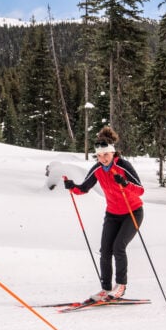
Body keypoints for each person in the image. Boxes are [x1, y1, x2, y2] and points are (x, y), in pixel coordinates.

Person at [62, 126, 145, 302]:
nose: (103, 159)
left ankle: (120, 286)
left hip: (133, 212)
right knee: (105, 250)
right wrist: (72, 187)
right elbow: (84, 188)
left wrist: (124, 183)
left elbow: (140, 190)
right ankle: (105, 289)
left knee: (118, 247)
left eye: (105, 155)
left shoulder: (123, 166)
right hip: (112, 214)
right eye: (99, 156)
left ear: (112, 153)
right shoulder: (97, 169)